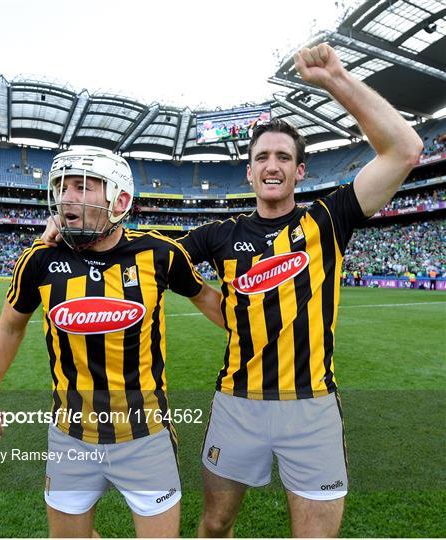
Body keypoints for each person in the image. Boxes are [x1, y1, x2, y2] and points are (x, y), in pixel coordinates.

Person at [178, 44, 423, 537]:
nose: (272, 164)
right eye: (262, 156)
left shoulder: (327, 220)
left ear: (299, 171)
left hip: (312, 408)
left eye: (283, 157)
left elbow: (405, 149)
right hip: (236, 402)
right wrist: (74, 232)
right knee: (213, 526)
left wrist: (336, 78)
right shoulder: (218, 235)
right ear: (249, 171)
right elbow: (143, 263)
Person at [0, 147, 223, 538]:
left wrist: (270, 332)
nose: (65, 196)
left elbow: (213, 303)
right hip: (70, 438)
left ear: (119, 200)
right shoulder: (39, 261)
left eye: (82, 186)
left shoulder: (159, 254)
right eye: (61, 187)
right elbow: (8, 331)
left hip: (146, 437)